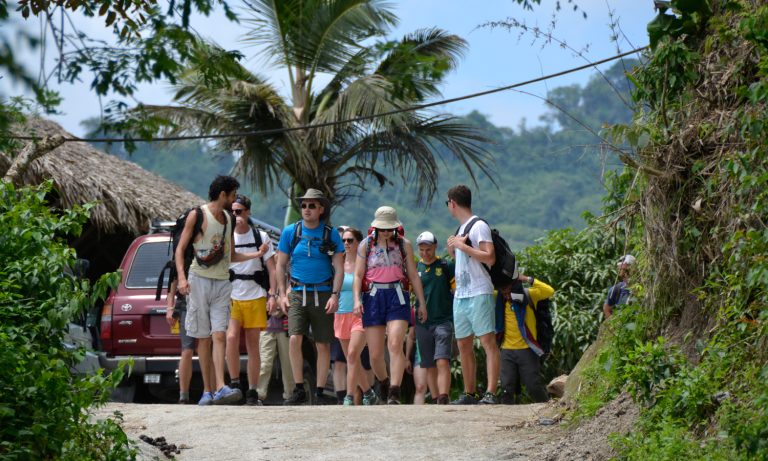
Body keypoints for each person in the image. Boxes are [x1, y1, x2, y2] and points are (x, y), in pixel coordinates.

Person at [175, 175, 268, 406]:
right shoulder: (197, 215)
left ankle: (220, 387)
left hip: (222, 282)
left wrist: (256, 255)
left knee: (219, 335)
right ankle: (207, 391)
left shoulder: (228, 219)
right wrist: (181, 278)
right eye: (233, 194)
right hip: (199, 280)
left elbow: (231, 255)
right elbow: (180, 250)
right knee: (204, 338)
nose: (235, 200)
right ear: (223, 194)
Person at [275, 188, 344, 405]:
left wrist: (335, 295)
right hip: (296, 292)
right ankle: (298, 389)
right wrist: (281, 293)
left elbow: (339, 267)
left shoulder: (330, 233)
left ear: (321, 209)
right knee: (295, 338)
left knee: (322, 344)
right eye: (304, 205)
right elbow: (280, 264)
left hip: (323, 293)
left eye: (312, 205)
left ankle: (321, 391)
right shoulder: (290, 232)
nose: (306, 209)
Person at [353, 206, 427, 404]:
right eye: (382, 229)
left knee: (395, 343)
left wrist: (421, 303)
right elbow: (358, 275)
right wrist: (356, 300)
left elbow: (412, 274)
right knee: (375, 355)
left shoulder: (404, 245)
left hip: (397, 295)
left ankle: (395, 391)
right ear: (376, 228)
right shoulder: (365, 245)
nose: (386, 232)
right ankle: (385, 382)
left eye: (389, 229)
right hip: (373, 296)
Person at [445, 184, 500, 405]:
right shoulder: (461, 229)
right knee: (463, 344)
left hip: (479, 291)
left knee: (487, 341)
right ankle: (470, 392)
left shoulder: (478, 227)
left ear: (453, 203)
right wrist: (454, 246)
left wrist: (462, 246)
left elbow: (490, 257)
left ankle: (491, 392)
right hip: (461, 295)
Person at [225, 194, 276, 405]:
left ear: (248, 212)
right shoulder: (227, 237)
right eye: (232, 212)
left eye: (239, 211)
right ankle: (235, 383)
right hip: (232, 293)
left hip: (255, 293)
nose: (236, 216)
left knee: (253, 344)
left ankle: (252, 391)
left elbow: (272, 269)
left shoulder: (261, 237)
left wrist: (273, 294)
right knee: (231, 338)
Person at [336, 227, 379, 405]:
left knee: (353, 354)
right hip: (340, 314)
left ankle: (349, 396)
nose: (346, 243)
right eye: (344, 240)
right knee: (351, 359)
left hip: (360, 315)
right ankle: (368, 393)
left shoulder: (367, 264)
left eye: (350, 240)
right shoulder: (337, 263)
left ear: (358, 243)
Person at [413, 231, 455, 405]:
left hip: (443, 320)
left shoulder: (445, 265)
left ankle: (444, 397)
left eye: (428, 249)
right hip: (422, 323)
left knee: (442, 360)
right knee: (428, 364)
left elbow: (456, 288)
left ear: (435, 247)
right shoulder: (415, 269)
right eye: (421, 250)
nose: (425, 253)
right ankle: (437, 397)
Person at [499, 274, 554, 404]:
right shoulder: (499, 300)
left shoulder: (528, 295)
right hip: (506, 350)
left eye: (509, 292)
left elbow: (549, 291)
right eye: (504, 293)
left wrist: (527, 279)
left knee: (533, 386)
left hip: (527, 348)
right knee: (506, 388)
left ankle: (546, 409)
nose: (507, 296)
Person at [164, 280, 202, 404]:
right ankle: (183, 395)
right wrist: (170, 307)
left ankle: (211, 390)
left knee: (205, 349)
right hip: (186, 305)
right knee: (187, 350)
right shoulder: (180, 261)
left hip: (206, 303)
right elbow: (173, 281)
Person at [256, 311, 295, 404]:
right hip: (266, 326)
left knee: (288, 365)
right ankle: (258, 396)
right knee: (264, 364)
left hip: (286, 327)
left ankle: (290, 396)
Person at [603, 254, 635, 319]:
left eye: (627, 271)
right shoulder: (616, 289)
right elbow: (606, 309)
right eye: (622, 270)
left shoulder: (641, 288)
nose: (625, 274)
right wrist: (614, 324)